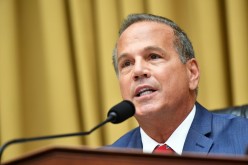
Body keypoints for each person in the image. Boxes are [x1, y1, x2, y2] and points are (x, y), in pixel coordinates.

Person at [109, 13, 248, 156]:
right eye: (126, 64)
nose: (137, 71)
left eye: (154, 56)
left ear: (192, 73)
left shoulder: (244, 139)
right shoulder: (105, 159)